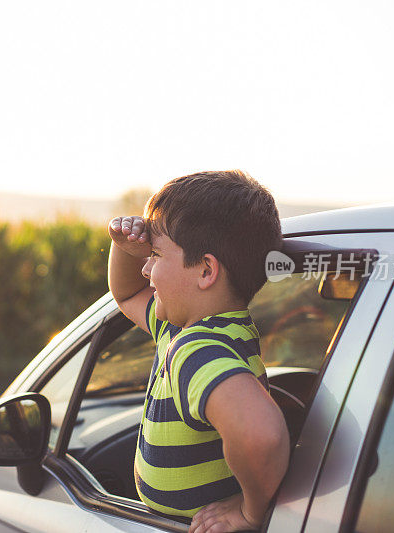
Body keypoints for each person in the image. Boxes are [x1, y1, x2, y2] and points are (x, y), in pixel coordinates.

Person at [107, 170, 290, 532]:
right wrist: (126, 247)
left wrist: (250, 512)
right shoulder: (191, 328)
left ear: (206, 270)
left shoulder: (197, 348)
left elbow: (262, 435)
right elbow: (126, 295)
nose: (145, 268)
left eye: (156, 255)